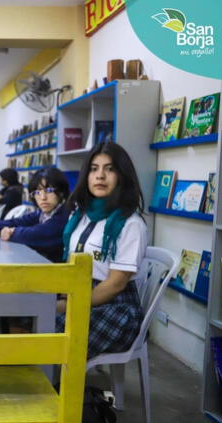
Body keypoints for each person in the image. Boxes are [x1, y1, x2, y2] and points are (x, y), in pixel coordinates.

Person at [58, 142, 147, 359]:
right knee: (29, 316)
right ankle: (41, 384)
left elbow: (115, 285)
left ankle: (59, 388)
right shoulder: (79, 215)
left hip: (115, 308)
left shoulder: (130, 224)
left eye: (110, 169)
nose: (100, 176)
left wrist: (69, 304)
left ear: (122, 176)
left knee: (53, 331)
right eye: (94, 169)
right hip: (78, 292)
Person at [0, 167, 71, 263]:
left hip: (61, 273)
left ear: (61, 192)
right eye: (37, 192)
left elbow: (39, 234)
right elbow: (0, 224)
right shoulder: (42, 213)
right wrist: (2, 229)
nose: (43, 197)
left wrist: (12, 232)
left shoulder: (66, 213)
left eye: (49, 190)